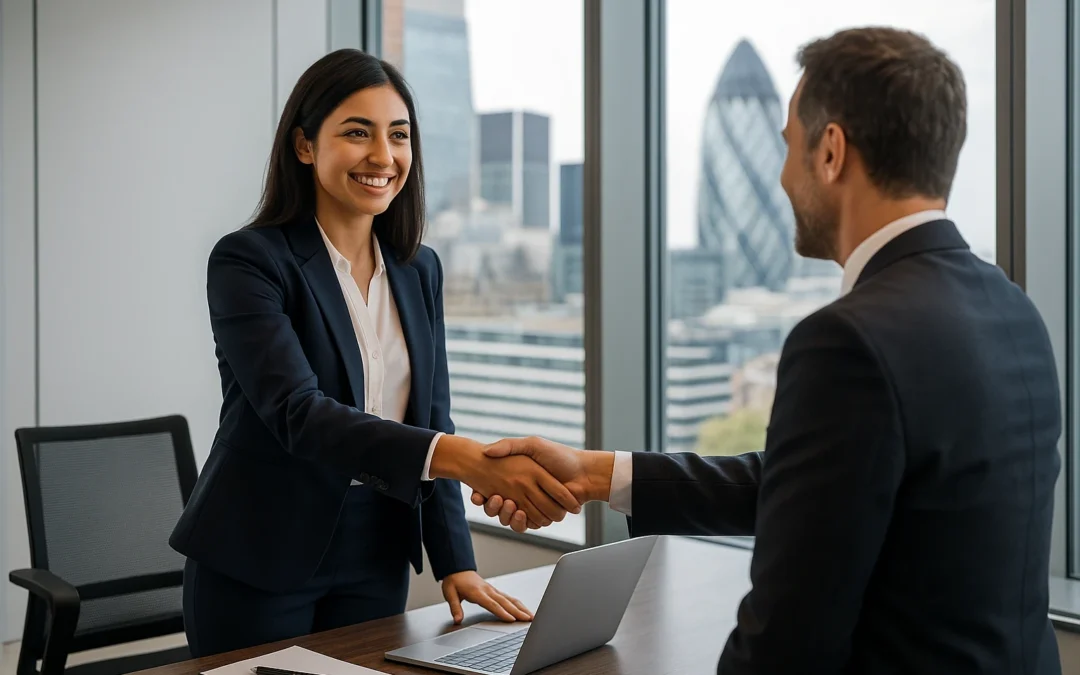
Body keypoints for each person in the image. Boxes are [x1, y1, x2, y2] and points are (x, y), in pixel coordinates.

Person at [473, 27, 1063, 675]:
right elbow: (828, 485)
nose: (782, 175)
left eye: (788, 145)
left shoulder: (848, 340)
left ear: (831, 150)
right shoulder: (1012, 310)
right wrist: (599, 474)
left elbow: (787, 640)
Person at [169, 49, 580, 658]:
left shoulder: (419, 270)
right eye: (356, 133)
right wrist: (466, 460)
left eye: (399, 135)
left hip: (377, 551)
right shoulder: (249, 261)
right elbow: (298, 414)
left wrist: (455, 562)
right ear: (305, 146)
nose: (383, 157)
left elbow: (431, 418)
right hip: (260, 547)